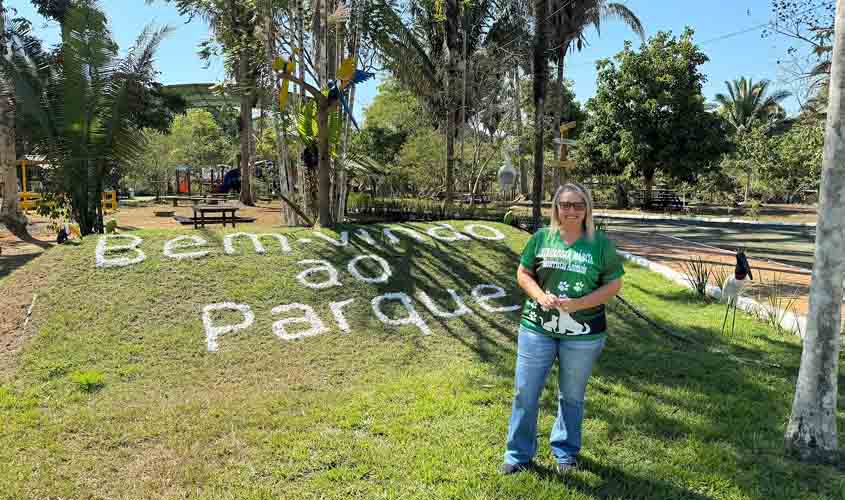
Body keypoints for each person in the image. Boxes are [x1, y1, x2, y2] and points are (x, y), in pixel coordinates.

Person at [501, 182, 625, 476]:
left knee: (571, 395)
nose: (571, 210)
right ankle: (518, 454)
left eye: (578, 205)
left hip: (584, 334)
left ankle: (565, 453)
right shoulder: (542, 238)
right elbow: (523, 273)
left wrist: (580, 303)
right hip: (536, 328)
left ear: (587, 209)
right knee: (524, 392)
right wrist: (539, 295)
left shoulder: (600, 243)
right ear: (555, 207)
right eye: (565, 204)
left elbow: (614, 284)